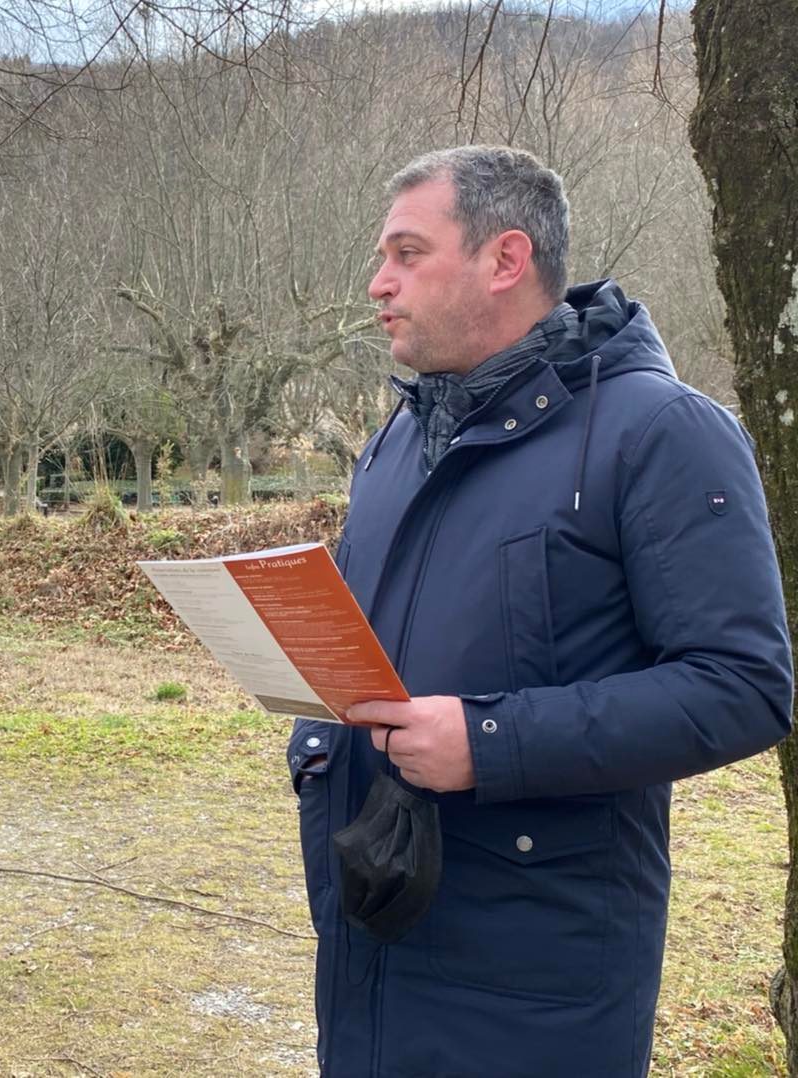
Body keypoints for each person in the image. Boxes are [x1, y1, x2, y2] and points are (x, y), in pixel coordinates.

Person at [289, 145, 793, 1077]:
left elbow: (745, 686)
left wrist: (489, 741)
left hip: (537, 978)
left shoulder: (662, 434)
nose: (377, 284)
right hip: (372, 928)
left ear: (506, 259)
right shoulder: (400, 437)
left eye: (406, 254)